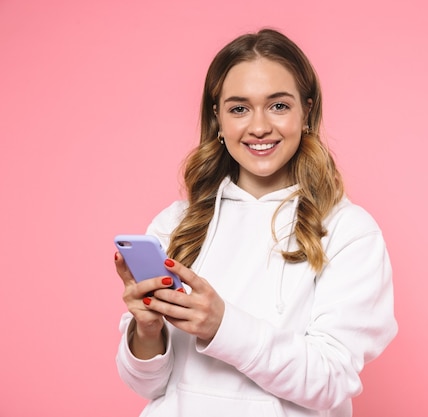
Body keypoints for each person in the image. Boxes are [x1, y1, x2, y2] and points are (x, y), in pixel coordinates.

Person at [114, 28, 397, 417]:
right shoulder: (176, 223)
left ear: (307, 111)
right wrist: (146, 331)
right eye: (239, 108)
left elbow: (330, 381)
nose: (259, 126)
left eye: (278, 106)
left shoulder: (348, 232)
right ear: (217, 117)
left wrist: (222, 325)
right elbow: (149, 385)